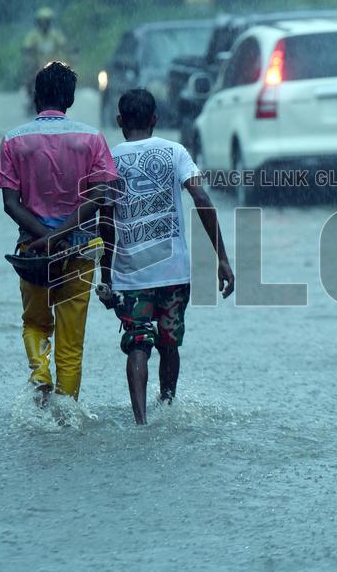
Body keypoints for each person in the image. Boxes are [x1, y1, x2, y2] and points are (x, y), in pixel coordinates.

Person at [97, 88, 235, 425]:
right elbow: (202, 199)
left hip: (130, 276)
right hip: (174, 274)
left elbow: (105, 221)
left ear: (119, 122)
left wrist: (105, 276)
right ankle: (168, 405)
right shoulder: (175, 152)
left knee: (138, 344)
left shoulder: (108, 159)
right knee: (169, 344)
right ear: (155, 120)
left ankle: (141, 421)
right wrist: (223, 258)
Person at [0, 61, 118, 406]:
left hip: (32, 251)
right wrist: (62, 234)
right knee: (71, 339)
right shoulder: (92, 139)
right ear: (71, 99)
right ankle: (67, 415)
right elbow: (100, 195)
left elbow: (10, 203)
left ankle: (40, 376)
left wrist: (45, 236)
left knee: (34, 323)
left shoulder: (13, 141)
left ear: (36, 97)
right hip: (79, 250)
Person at [22, 7, 69, 113]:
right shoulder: (33, 36)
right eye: (41, 22)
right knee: (30, 79)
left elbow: (64, 46)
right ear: (38, 23)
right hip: (37, 65)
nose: (44, 24)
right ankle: (31, 99)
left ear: (50, 22)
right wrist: (29, 60)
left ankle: (63, 99)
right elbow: (27, 49)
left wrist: (69, 57)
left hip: (54, 65)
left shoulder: (56, 35)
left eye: (46, 21)